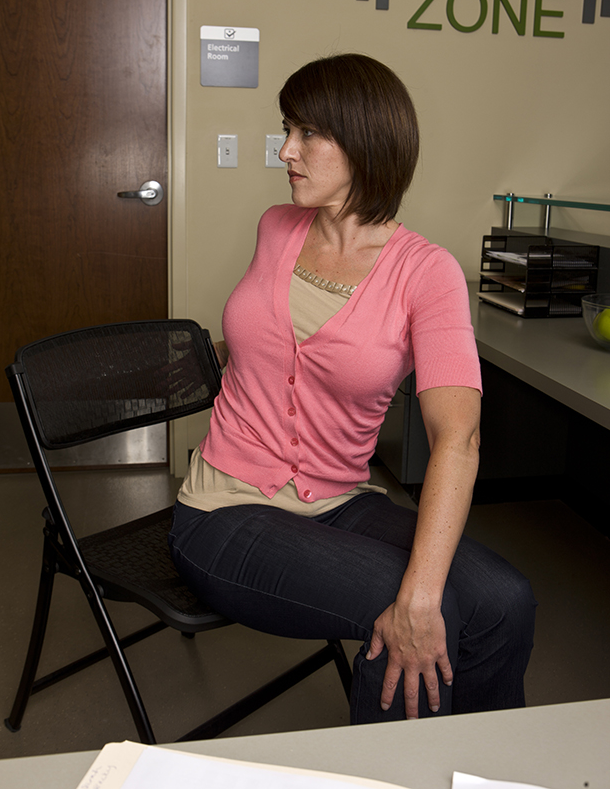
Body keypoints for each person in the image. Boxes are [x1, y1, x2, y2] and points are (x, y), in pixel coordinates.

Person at [169, 53, 536, 723]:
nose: (286, 150)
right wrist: (417, 602)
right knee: (392, 606)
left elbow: (459, 436)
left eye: (309, 133)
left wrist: (422, 595)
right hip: (223, 509)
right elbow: (273, 346)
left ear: (367, 142)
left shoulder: (428, 274)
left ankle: (478, 766)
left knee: (505, 599)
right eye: (288, 129)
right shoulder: (275, 226)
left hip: (339, 501)